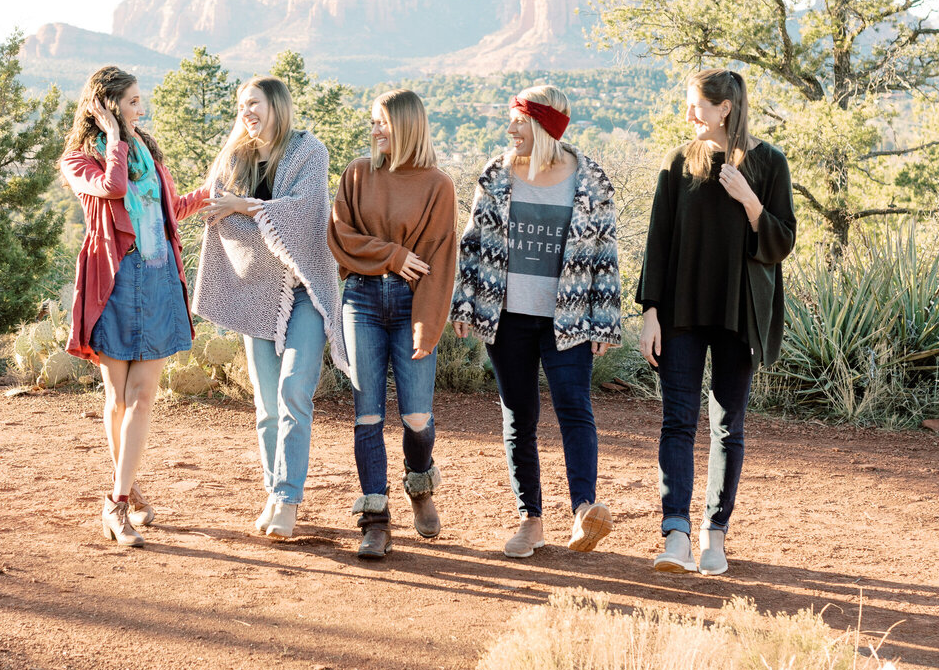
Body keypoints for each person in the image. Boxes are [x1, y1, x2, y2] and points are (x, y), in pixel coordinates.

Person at [450, 84, 622, 558]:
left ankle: (585, 511)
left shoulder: (590, 180)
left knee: (574, 407)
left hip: (565, 319)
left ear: (543, 125)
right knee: (518, 415)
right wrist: (465, 303)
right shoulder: (497, 175)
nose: (510, 130)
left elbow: (604, 255)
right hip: (507, 317)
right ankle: (531, 520)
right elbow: (474, 241)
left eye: (519, 121)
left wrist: (604, 319)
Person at [636, 68, 796, 576]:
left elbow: (781, 242)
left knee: (728, 428)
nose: (688, 115)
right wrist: (650, 312)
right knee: (677, 421)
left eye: (696, 106)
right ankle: (676, 535)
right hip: (681, 315)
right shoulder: (679, 162)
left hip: (739, 316)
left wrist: (749, 201)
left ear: (724, 108)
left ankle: (714, 536)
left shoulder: (770, 163)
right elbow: (657, 242)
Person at [189, 75, 351, 540]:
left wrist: (246, 206)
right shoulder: (234, 158)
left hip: (305, 290)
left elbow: (304, 212)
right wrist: (243, 208)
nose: (246, 112)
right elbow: (217, 213)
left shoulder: (308, 150)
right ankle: (273, 488)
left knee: (294, 392)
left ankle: (287, 498)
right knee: (265, 405)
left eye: (254, 103)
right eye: (241, 105)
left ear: (276, 105)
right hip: (255, 290)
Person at [60, 66, 195, 548]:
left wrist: (213, 198)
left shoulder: (148, 151)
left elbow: (167, 209)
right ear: (110, 106)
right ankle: (128, 482)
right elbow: (114, 189)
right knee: (116, 399)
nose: (143, 108)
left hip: (157, 278)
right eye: (134, 101)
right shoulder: (80, 161)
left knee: (142, 397)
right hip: (113, 282)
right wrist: (116, 136)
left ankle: (115, 501)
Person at [328, 89, 458, 560]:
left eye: (383, 122)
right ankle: (376, 519)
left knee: (417, 416)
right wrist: (393, 255)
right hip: (360, 299)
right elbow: (340, 236)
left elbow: (439, 262)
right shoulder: (358, 174)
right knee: (368, 413)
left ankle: (419, 484)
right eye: (372, 122)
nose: (375, 130)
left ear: (407, 125)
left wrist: (427, 324)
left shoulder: (438, 185)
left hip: (411, 304)